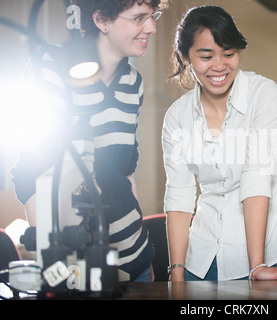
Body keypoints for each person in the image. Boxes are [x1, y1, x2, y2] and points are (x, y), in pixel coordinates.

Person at [10, 0, 168, 282]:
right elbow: (30, 176)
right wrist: (55, 267)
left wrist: (142, 258)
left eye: (153, 16)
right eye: (139, 18)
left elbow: (125, 172)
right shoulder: (50, 69)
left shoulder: (133, 82)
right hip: (79, 264)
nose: (152, 27)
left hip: (137, 258)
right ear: (101, 20)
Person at [162, 5, 277, 281]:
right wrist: (177, 273)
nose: (219, 66)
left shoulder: (263, 93)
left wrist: (256, 265)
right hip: (201, 260)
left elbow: (257, 176)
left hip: (271, 256)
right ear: (184, 56)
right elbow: (180, 194)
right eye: (206, 56)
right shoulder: (177, 116)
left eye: (229, 54)